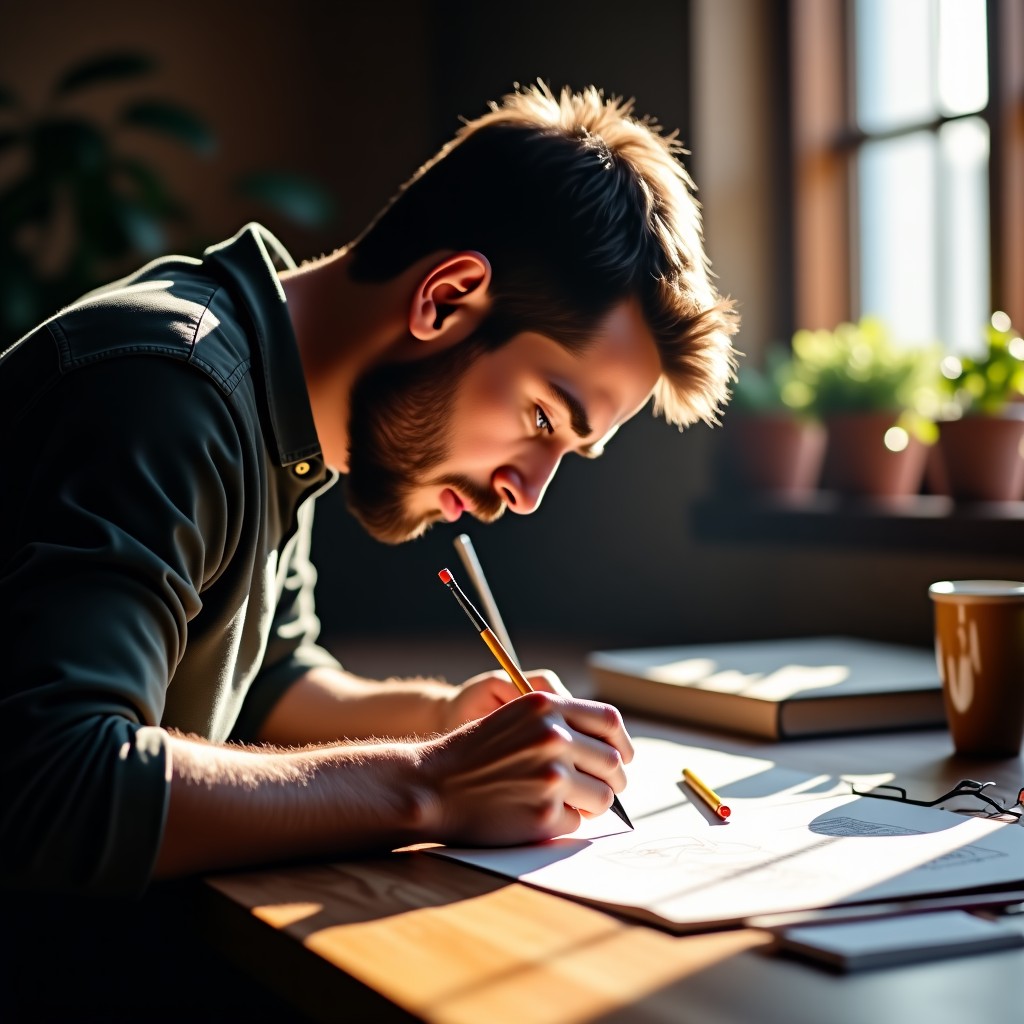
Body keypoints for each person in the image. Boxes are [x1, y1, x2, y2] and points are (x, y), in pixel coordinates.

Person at [0, 83, 738, 898]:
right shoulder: (166, 392)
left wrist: (449, 721)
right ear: (446, 298)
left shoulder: (280, 399)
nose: (528, 492)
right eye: (541, 416)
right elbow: (56, 784)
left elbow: (269, 683)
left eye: (572, 450)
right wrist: (432, 786)